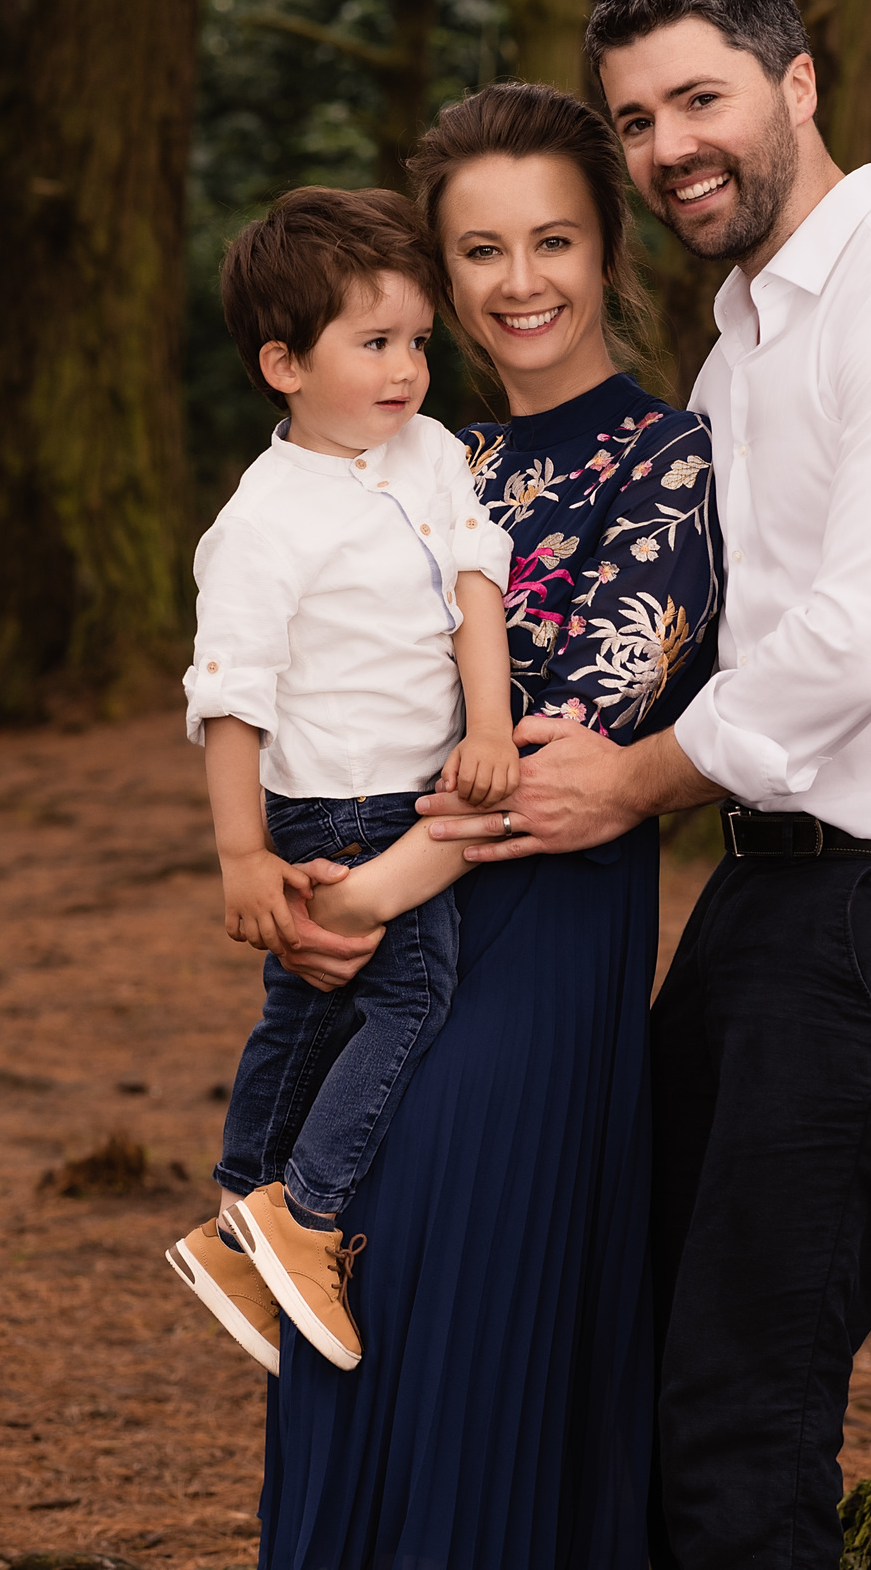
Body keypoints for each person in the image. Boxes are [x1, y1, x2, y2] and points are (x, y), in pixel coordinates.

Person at [412, 0, 871, 1569]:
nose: (668, 147)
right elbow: (686, 635)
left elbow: (863, 630)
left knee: (737, 1420)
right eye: (636, 121)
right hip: (773, 906)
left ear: (797, 84)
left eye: (698, 98)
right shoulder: (739, 352)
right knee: (625, 1358)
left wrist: (634, 782)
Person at [260, 82, 722, 1569]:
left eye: (554, 241)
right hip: (378, 945)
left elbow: (559, 754)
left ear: (608, 252)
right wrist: (283, 879)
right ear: (437, 273)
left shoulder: (671, 462)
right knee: (344, 1313)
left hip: (530, 943)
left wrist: (359, 897)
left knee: (455, 1298)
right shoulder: (410, 457)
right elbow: (302, 678)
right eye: (479, 251)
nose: (520, 283)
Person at [165, 185, 520, 1376]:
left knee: (309, 1009)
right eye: (373, 345)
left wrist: (489, 727)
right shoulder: (264, 522)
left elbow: (478, 584)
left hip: (417, 775)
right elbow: (231, 697)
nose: (406, 368)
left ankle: (232, 1219)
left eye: (417, 341)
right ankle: (302, 1214)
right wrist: (241, 856)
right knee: (409, 997)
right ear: (282, 363)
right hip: (336, 803)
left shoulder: (427, 452)